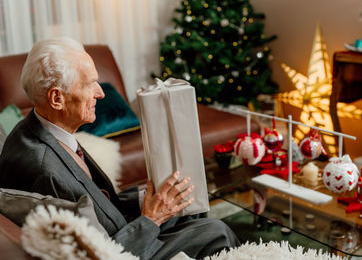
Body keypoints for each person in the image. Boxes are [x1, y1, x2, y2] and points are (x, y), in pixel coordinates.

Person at [0, 37, 239, 259]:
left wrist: (143, 199)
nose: (101, 93)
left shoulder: (38, 129)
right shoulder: (44, 170)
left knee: (189, 204)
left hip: (118, 226)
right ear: (56, 98)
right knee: (217, 232)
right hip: (123, 246)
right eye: (89, 84)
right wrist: (151, 218)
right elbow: (98, 253)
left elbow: (92, 203)